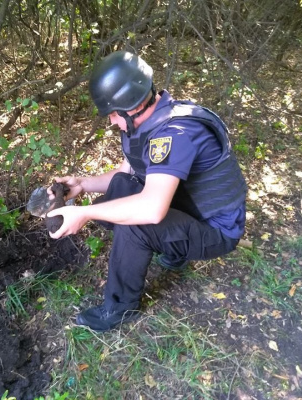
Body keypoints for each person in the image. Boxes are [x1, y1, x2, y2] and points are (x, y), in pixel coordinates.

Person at [46, 51, 247, 332]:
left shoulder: (175, 133)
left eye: (114, 114)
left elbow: (151, 209)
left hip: (217, 229)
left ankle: (118, 308)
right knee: (122, 188)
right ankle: (176, 253)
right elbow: (129, 171)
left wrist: (85, 213)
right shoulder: (150, 123)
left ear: (131, 105)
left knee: (136, 224)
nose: (112, 122)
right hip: (191, 210)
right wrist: (82, 184)